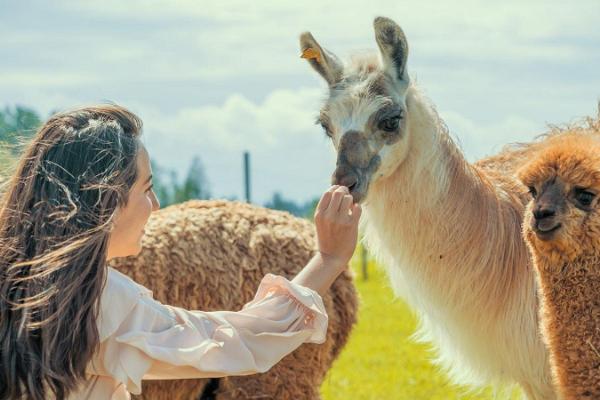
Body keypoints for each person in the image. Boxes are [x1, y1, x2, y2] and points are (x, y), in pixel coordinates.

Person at [0, 105, 361, 399]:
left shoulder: (20, 286)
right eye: (146, 189)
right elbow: (231, 342)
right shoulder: (95, 304)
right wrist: (327, 259)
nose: (155, 206)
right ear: (107, 201)